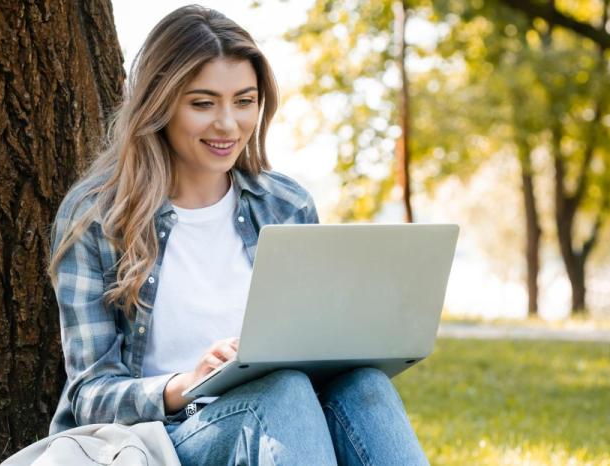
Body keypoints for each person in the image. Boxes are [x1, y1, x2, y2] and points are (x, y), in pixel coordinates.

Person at [46, 5, 429, 465]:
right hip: (167, 439)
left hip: (288, 427)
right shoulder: (97, 218)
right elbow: (89, 393)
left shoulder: (286, 205)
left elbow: (316, 348)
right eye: (203, 103)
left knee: (364, 385)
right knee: (279, 394)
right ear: (159, 104)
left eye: (244, 101)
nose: (228, 125)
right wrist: (188, 382)